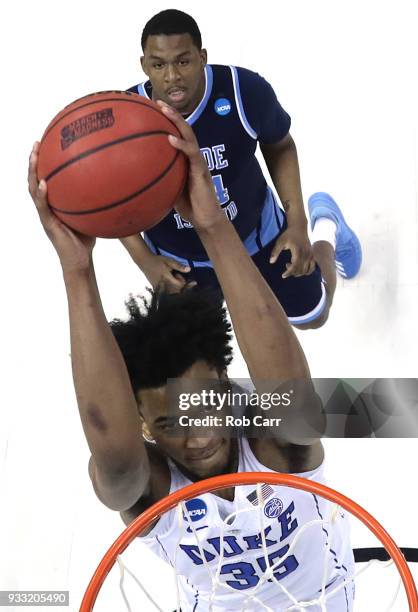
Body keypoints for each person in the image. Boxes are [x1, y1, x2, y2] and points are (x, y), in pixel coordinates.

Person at [29, 102, 354, 610]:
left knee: (314, 307)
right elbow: (114, 461)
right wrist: (77, 270)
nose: (198, 433)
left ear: (227, 384)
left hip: (325, 597)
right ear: (143, 424)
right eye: (170, 422)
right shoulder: (151, 488)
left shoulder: (271, 445)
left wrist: (211, 224)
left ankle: (328, 235)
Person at [123, 8, 362, 329]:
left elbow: (280, 145)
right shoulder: (125, 119)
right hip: (182, 259)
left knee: (312, 318)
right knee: (195, 364)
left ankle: (327, 230)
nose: (172, 76)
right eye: (158, 64)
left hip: (256, 236)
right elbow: (111, 200)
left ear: (202, 57)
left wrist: (297, 223)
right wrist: (145, 260)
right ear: (144, 65)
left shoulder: (243, 91)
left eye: (183, 61)